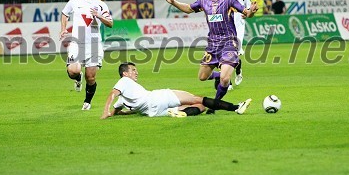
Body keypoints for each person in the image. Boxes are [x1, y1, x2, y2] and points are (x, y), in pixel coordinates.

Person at [164, 0, 257, 113]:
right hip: (213, 44)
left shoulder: (229, 0)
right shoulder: (204, 1)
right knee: (202, 77)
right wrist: (174, 2)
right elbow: (189, 9)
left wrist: (252, 12)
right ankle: (223, 72)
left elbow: (246, 13)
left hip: (229, 42)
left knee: (225, 80)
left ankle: (215, 104)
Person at [101, 62, 252, 119]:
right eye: (133, 70)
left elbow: (115, 111)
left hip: (154, 113)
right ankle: (236, 107)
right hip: (158, 97)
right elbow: (112, 94)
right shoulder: (124, 81)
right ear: (125, 73)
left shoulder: (125, 96)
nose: (136, 73)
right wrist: (105, 111)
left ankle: (183, 113)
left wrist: (113, 113)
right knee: (198, 99)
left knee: (201, 107)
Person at [60, 0, 113, 110]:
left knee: (90, 77)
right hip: (77, 42)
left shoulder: (102, 5)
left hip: (94, 45)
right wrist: (63, 29)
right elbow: (65, 13)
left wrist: (99, 16)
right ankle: (78, 78)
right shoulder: (75, 2)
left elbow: (110, 23)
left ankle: (87, 102)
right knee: (73, 70)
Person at [223, 0, 251, 87]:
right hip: (224, 27)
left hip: (238, 27)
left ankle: (238, 70)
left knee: (234, 54)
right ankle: (227, 82)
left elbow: (248, 10)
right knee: (224, 55)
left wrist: (248, 14)